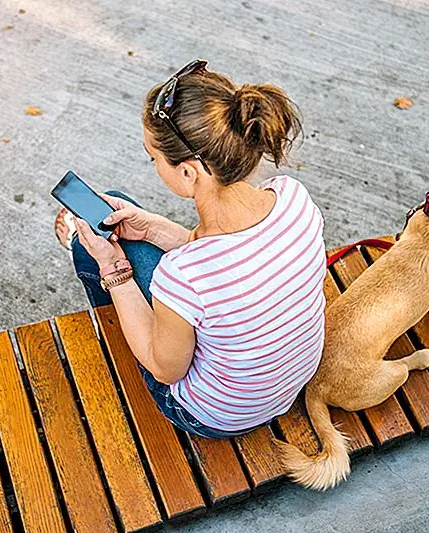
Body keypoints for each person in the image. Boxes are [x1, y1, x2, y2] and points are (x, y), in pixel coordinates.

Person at [54, 60, 327, 439]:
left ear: (187, 172)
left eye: (154, 157)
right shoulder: (293, 198)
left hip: (216, 416)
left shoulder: (184, 274)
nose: (153, 165)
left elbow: (166, 370)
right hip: (286, 385)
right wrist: (152, 227)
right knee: (121, 217)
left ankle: (120, 327)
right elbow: (232, 262)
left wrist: (114, 269)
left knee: (92, 246)